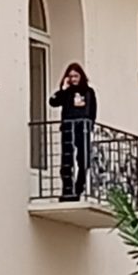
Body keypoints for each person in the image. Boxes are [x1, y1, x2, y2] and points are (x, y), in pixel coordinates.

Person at [49, 63, 97, 201]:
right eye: (70, 76)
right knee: (66, 162)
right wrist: (63, 89)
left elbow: (92, 111)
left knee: (83, 161)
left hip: (83, 129)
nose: (73, 79)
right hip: (68, 129)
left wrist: (90, 126)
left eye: (76, 76)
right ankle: (67, 191)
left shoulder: (88, 92)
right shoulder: (67, 93)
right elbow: (53, 102)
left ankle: (78, 188)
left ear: (81, 76)